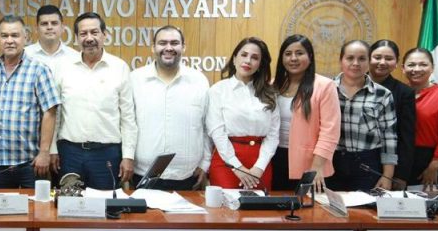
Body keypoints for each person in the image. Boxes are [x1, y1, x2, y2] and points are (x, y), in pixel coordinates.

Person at [51, 12, 136, 189]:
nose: (89, 38)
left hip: (107, 154)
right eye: (83, 33)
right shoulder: (63, 68)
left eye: (94, 32)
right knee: (69, 203)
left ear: (104, 35)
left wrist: (128, 156)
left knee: (106, 204)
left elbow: (128, 117)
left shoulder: (119, 67)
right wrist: (52, 149)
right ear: (76, 38)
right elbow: (55, 114)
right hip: (70, 153)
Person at [0, 16, 60, 188]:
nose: (9, 41)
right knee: (1, 205)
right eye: (4, 36)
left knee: (34, 206)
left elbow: (50, 112)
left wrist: (44, 152)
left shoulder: (39, 70)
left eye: (15, 35)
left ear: (25, 38)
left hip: (31, 163)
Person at [129, 25, 209, 190]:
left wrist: (205, 163)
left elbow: (207, 127)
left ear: (183, 47)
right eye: (162, 43)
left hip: (187, 176)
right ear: (153, 47)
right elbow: (127, 124)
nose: (168, 48)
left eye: (174, 43)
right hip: (142, 174)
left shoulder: (199, 81)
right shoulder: (135, 80)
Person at [206, 37, 279, 190]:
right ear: (234, 59)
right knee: (226, 205)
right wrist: (237, 167)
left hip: (260, 164)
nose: (248, 61)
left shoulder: (270, 93)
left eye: (255, 58)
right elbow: (217, 133)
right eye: (244, 55)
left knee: (259, 205)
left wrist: (259, 168)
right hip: (227, 163)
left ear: (260, 64)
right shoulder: (218, 90)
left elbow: (273, 135)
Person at [271, 34, 340, 193]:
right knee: (276, 206)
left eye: (299, 53)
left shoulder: (325, 85)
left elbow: (330, 131)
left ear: (310, 57)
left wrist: (316, 167)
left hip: (310, 163)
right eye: (288, 54)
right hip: (275, 158)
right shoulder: (273, 85)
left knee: (307, 207)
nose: (293, 58)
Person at [332, 40, 397, 191]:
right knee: (330, 205)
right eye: (350, 58)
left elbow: (389, 138)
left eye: (362, 59)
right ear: (341, 61)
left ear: (368, 62)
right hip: (332, 162)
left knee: (365, 206)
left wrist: (387, 176)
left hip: (367, 164)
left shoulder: (383, 94)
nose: (356, 63)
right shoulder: (326, 90)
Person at [402, 48, 438, 189]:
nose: (417, 69)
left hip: (429, 160)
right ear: (403, 68)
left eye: (423, 64)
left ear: (432, 68)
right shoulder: (398, 93)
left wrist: (435, 165)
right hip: (401, 158)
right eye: (411, 65)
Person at [368, 40, 416, 185]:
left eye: (389, 58)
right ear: (368, 58)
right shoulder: (352, 84)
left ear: (396, 63)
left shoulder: (404, 92)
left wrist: (401, 175)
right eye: (377, 57)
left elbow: (406, 136)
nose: (382, 62)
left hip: (389, 166)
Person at [23, 4, 79, 71]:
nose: (49, 27)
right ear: (36, 28)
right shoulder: (24, 55)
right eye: (44, 24)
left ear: (62, 27)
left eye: (54, 23)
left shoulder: (75, 57)